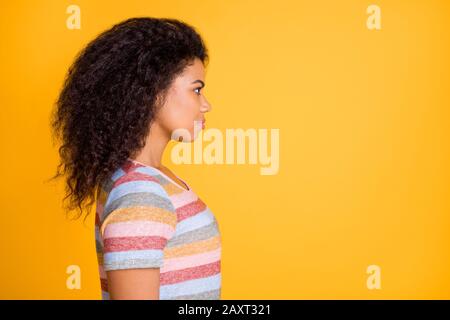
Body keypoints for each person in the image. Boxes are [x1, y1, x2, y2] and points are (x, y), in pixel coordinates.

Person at [50, 17, 221, 299]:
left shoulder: (150, 178)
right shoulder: (142, 196)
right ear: (154, 92)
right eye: (197, 89)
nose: (206, 104)